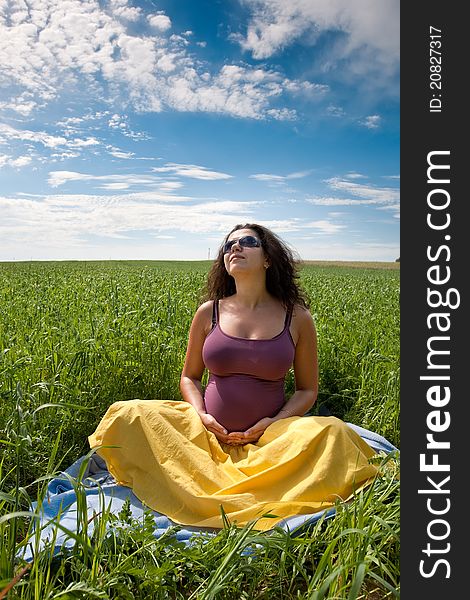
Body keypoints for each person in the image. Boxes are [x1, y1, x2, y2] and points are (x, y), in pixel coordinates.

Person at [89, 224, 378, 530]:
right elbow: (190, 377)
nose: (234, 248)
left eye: (247, 242)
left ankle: (254, 483)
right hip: (205, 434)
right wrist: (201, 415)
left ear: (268, 258)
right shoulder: (208, 312)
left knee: (334, 432)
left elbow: (307, 390)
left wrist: (273, 423)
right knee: (128, 412)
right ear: (224, 262)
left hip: (271, 440)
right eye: (228, 246)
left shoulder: (297, 317)